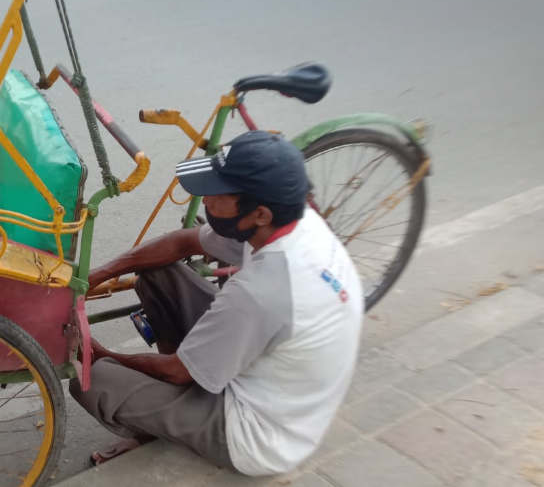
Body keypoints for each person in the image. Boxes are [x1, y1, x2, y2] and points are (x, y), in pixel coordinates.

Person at [70, 130, 363, 476]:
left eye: (218, 194)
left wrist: (101, 355)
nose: (206, 199)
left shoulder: (263, 289)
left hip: (259, 436)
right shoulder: (290, 221)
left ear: (260, 214)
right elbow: (183, 243)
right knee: (158, 274)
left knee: (94, 380)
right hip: (275, 376)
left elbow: (177, 371)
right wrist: (97, 275)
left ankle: (155, 428)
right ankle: (167, 405)